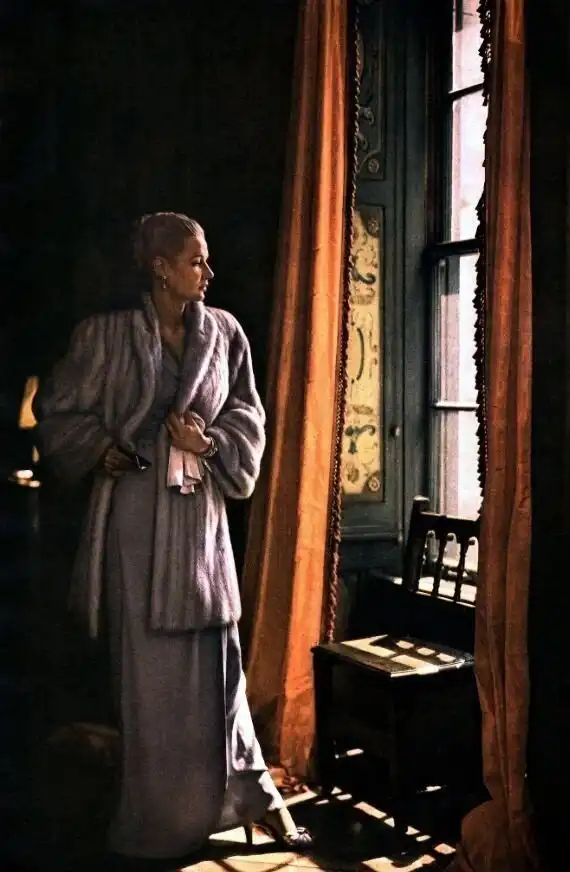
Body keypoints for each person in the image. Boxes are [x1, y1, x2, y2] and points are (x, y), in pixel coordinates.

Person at [35, 212, 313, 861]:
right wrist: (100, 448)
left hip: (199, 518)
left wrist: (208, 442)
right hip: (134, 517)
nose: (208, 272)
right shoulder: (106, 336)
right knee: (149, 677)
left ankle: (238, 799)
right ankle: (159, 823)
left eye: (206, 259)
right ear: (160, 268)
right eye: (195, 261)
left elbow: (248, 415)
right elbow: (60, 410)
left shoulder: (226, 334)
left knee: (216, 661)